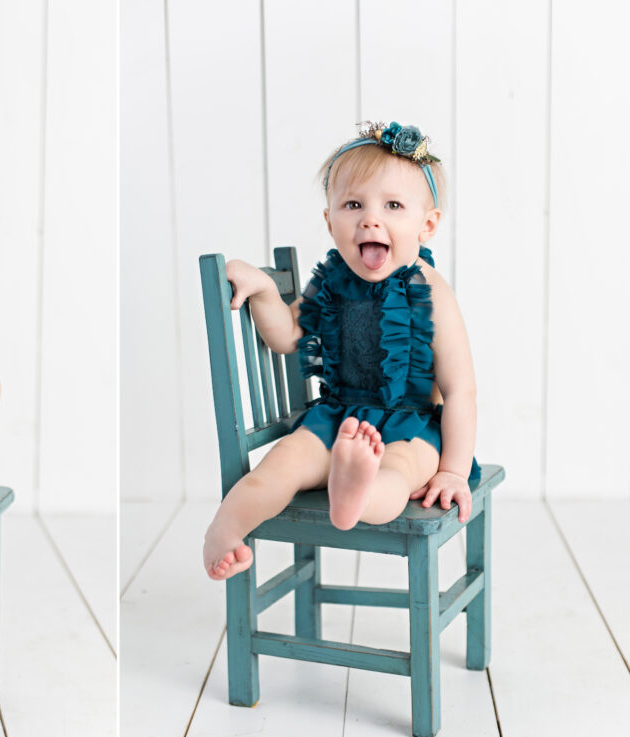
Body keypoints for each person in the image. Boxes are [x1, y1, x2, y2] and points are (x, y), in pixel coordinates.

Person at [203, 121, 478, 581]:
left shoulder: (430, 290)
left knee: (396, 473)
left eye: (393, 205)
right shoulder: (330, 283)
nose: (370, 218)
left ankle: (356, 494)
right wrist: (265, 291)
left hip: (410, 425)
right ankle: (225, 528)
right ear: (330, 222)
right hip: (336, 417)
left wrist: (451, 470)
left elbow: (460, 389)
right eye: (353, 204)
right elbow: (287, 335)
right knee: (277, 468)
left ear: (426, 225)